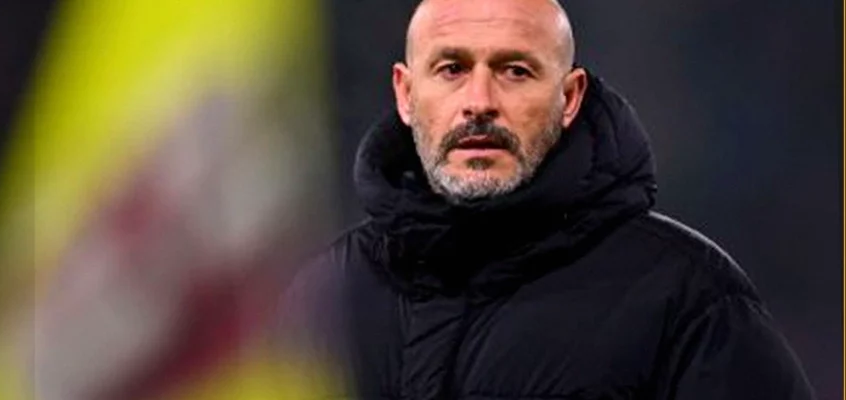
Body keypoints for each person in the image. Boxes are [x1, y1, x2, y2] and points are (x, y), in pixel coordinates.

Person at [276, 0, 816, 398]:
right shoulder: (327, 294)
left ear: (570, 96)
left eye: (515, 71)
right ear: (406, 93)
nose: (479, 102)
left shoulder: (688, 297)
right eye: (452, 69)